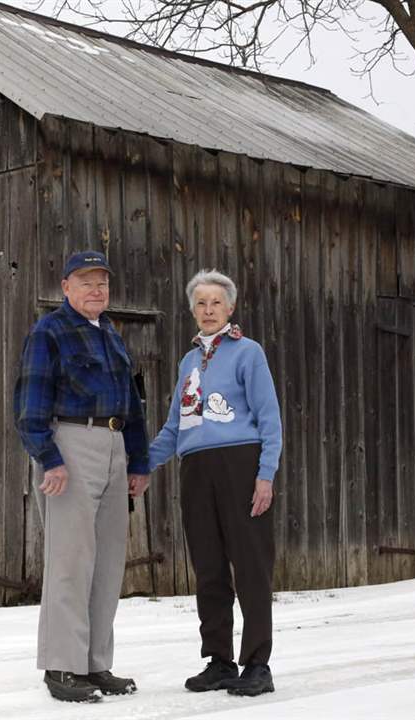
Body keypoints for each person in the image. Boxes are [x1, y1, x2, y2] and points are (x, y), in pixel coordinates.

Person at [13, 250, 150, 703]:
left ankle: (95, 664)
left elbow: (132, 404)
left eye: (103, 282)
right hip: (71, 446)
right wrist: (48, 458)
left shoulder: (110, 334)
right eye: (87, 281)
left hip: (113, 445)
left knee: (108, 563)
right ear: (66, 285)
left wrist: (139, 462)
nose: (97, 290)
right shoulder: (49, 332)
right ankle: (62, 667)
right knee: (71, 561)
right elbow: (30, 403)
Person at [147, 269, 282, 697]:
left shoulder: (248, 352)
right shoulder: (189, 362)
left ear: (230, 308)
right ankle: (219, 659)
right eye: (200, 303)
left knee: (251, 565)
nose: (208, 310)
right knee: (208, 567)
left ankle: (257, 663)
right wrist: (139, 466)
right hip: (196, 469)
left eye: (215, 303)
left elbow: (269, 418)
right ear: (192, 310)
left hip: (240, 464)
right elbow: (174, 428)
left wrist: (265, 475)